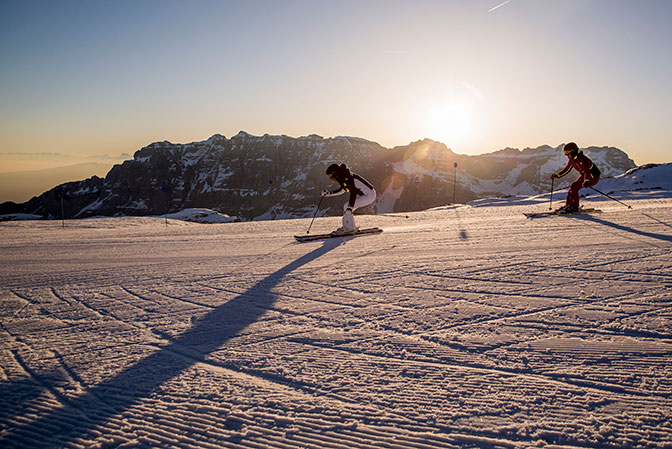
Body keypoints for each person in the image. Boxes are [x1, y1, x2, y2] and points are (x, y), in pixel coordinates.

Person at [322, 163, 376, 234]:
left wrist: (350, 207)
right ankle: (350, 227)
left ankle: (349, 228)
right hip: (364, 195)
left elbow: (353, 192)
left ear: (335, 173)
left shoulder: (347, 178)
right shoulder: (343, 177)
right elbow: (343, 190)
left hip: (369, 195)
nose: (331, 178)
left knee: (347, 207)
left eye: (331, 176)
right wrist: (329, 193)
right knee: (346, 207)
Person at [550, 142, 601, 213]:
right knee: (572, 186)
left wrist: (586, 181)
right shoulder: (572, 159)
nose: (566, 155)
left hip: (592, 177)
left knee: (574, 187)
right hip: (585, 176)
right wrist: (558, 175)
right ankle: (568, 206)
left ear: (573, 151)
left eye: (567, 152)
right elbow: (567, 169)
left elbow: (587, 171)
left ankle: (574, 207)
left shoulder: (581, 159)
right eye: (565, 152)